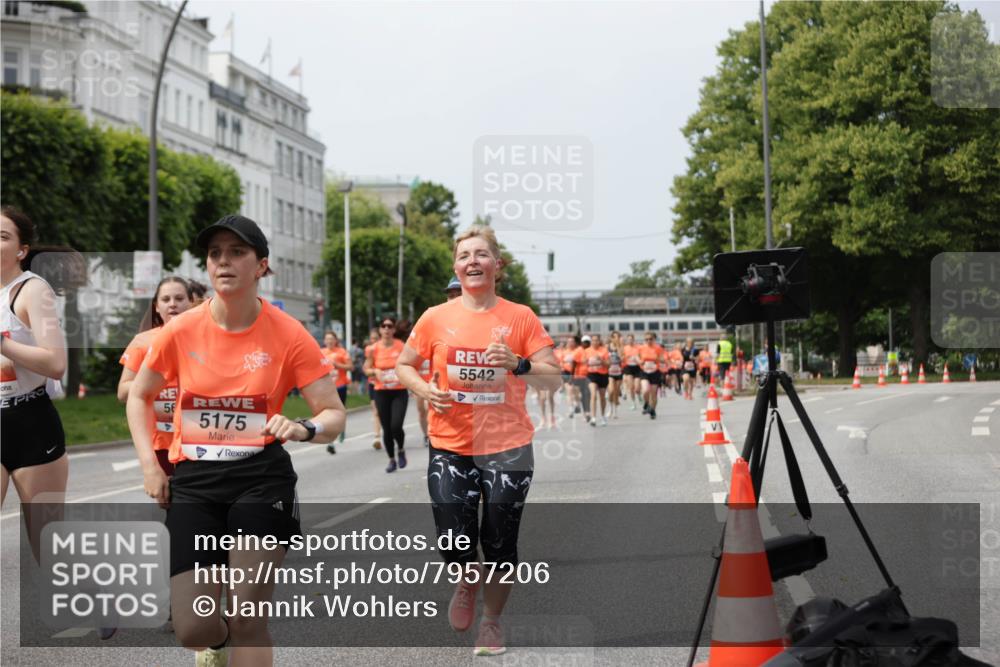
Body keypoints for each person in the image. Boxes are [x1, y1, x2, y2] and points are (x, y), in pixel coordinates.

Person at [125, 215, 346, 666]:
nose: (224, 261)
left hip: (260, 479)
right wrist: (150, 465)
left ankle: (240, 636)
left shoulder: (289, 333)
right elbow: (139, 397)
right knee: (193, 629)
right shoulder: (180, 329)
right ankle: (217, 643)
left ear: (262, 265)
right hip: (195, 482)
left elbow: (334, 414)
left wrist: (303, 428)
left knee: (248, 616)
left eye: (237, 252)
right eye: (215, 254)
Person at [396, 225, 561, 657]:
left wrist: (519, 363)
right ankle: (466, 578)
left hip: (508, 446)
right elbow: (404, 364)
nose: (473, 260)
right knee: (454, 539)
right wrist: (423, 388)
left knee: (501, 540)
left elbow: (555, 378)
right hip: (450, 443)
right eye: (465, 254)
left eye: (482, 254)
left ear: (497, 265)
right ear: (456, 267)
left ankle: (492, 622)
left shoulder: (520, 316)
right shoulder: (435, 317)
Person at [0, 207, 74, 562]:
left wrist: (2, 345)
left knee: (48, 550)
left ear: (21, 250)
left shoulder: (31, 290)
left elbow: (56, 363)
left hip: (29, 422)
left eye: (2, 236)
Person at [117, 276, 194, 476]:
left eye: (179, 298)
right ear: (156, 307)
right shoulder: (142, 342)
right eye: (166, 299)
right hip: (162, 442)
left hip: (199, 437)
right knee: (170, 501)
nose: (173, 304)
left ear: (191, 302)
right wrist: (154, 383)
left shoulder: (206, 339)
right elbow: (123, 391)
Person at [364, 316, 409, 472]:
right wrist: (375, 371)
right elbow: (366, 368)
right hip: (382, 392)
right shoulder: (373, 348)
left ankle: (401, 449)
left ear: (394, 330)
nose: (387, 329)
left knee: (396, 426)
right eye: (384, 326)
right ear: (380, 329)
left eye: (390, 326)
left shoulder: (401, 346)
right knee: (387, 429)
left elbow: (410, 364)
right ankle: (391, 460)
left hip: (399, 391)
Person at [322, 330, 352, 453]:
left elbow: (350, 367)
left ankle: (341, 429)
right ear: (324, 341)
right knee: (328, 412)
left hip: (340, 386)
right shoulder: (320, 352)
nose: (329, 341)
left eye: (331, 339)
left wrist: (337, 365)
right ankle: (331, 438)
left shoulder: (342, 352)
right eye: (327, 339)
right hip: (327, 387)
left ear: (335, 341)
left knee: (341, 410)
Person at [638, 332, 665, 419]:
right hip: (644, 371)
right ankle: (646, 404)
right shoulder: (641, 348)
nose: (648, 341)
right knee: (645, 390)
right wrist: (640, 361)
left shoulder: (658, 348)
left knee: (653, 394)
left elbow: (662, 359)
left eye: (650, 339)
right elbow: (638, 358)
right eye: (647, 339)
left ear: (654, 339)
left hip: (655, 372)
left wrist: (657, 359)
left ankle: (653, 410)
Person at [584, 333, 609, 426]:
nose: (595, 342)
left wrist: (601, 360)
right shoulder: (586, 351)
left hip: (602, 374)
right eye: (593, 340)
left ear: (599, 341)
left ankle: (603, 416)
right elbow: (583, 363)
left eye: (597, 340)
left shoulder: (604, 350)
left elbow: (608, 364)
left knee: (602, 397)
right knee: (593, 394)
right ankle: (593, 417)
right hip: (591, 375)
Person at [364, 329, 382, 450]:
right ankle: (377, 437)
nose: (373, 341)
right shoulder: (370, 350)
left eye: (376, 338)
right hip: (373, 384)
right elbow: (366, 368)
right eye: (372, 339)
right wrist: (373, 371)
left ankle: (390, 433)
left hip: (388, 386)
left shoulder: (386, 349)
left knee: (385, 413)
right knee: (375, 411)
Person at [573, 335, 592, 422]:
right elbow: (574, 364)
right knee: (582, 395)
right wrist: (571, 376)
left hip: (589, 376)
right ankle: (584, 412)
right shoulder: (578, 351)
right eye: (584, 342)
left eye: (588, 342)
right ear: (582, 342)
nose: (586, 344)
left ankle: (587, 412)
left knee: (587, 394)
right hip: (579, 376)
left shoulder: (591, 351)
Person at [607, 331, 624, 419]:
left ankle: (615, 411)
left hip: (618, 372)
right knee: (611, 391)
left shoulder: (620, 347)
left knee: (616, 392)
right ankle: (610, 408)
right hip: (609, 372)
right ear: (611, 338)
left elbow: (621, 357)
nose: (616, 339)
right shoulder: (607, 347)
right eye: (614, 337)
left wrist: (618, 347)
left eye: (617, 337)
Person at [622, 333, 641, 410]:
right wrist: (626, 357)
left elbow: (641, 356)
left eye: (631, 339)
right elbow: (622, 357)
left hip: (637, 367)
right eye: (628, 339)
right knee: (631, 387)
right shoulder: (625, 348)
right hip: (628, 367)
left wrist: (637, 358)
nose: (630, 341)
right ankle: (633, 403)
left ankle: (639, 395)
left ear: (633, 340)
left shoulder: (638, 347)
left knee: (636, 388)